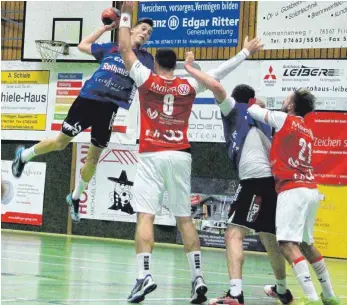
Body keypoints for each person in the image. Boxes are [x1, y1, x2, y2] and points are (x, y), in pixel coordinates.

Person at [117, 2, 264, 303]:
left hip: (152, 154)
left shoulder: (147, 79)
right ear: (176, 66)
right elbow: (219, 73)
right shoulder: (188, 86)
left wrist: (125, 15)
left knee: (146, 215)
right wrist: (245, 52)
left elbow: (123, 49)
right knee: (185, 218)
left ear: (157, 64)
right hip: (181, 155)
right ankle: (198, 277)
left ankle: (144, 275)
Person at [11, 16, 154, 222]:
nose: (145, 33)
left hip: (110, 108)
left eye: (149, 32)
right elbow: (82, 45)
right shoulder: (110, 48)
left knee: (94, 158)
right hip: (88, 99)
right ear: (130, 30)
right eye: (143, 28)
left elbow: (153, 78)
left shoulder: (146, 58)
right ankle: (24, 155)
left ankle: (75, 197)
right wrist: (105, 28)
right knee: (60, 143)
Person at [185, 63, 294, 304]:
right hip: (272, 183)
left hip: (254, 180)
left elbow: (214, 85)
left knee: (233, 234)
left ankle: (235, 293)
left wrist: (190, 69)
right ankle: (283, 289)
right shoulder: (263, 117)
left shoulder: (234, 109)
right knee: (268, 237)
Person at [248, 89, 341, 305]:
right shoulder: (307, 130)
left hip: (293, 188)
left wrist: (254, 101)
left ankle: (310, 297)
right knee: (307, 243)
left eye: (287, 98)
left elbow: (252, 111)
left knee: (287, 244)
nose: (283, 100)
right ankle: (329, 295)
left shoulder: (284, 119)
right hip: (311, 189)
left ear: (291, 106)